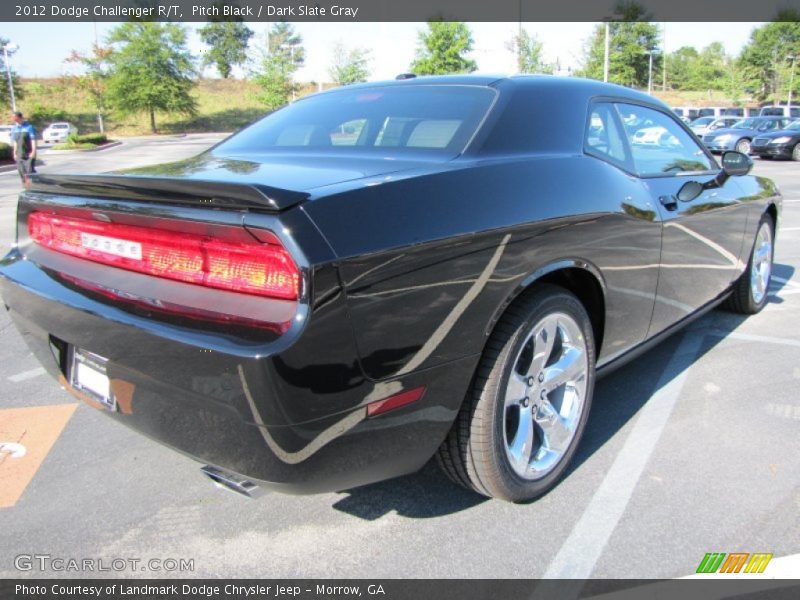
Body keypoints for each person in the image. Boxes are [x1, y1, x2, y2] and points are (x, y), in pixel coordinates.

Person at [11, 110, 37, 187]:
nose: (15, 121)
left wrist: (33, 152)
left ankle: (34, 185)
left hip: (28, 154)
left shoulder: (29, 127)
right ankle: (26, 186)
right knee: (21, 171)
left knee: (29, 171)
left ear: (21, 118)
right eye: (14, 119)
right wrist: (14, 153)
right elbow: (15, 142)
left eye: (16, 119)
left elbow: (33, 140)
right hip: (19, 154)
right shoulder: (14, 129)